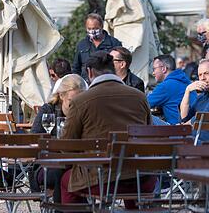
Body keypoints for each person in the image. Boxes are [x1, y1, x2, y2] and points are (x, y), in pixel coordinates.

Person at [61, 51, 152, 206]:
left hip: (100, 179)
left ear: (89, 72)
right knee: (128, 173)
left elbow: (67, 146)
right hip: (140, 178)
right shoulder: (140, 97)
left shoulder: (80, 101)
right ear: (114, 69)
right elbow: (149, 135)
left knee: (66, 180)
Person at [30, 74, 88, 202]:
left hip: (75, 164)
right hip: (46, 165)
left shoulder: (84, 113)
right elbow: (34, 138)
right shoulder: (49, 110)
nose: (76, 106)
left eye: (81, 102)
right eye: (71, 102)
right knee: (62, 173)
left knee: (76, 174)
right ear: (61, 96)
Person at [72, 13, 122, 80]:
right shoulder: (82, 45)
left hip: (107, 82)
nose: (92, 31)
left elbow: (119, 66)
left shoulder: (114, 43)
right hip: (87, 84)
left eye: (95, 28)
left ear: (101, 26)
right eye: (89, 28)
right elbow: (76, 68)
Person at [147, 55, 190, 124]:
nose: (153, 73)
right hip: (191, 127)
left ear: (164, 69)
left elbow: (144, 104)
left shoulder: (166, 86)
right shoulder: (185, 80)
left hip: (176, 128)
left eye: (154, 69)